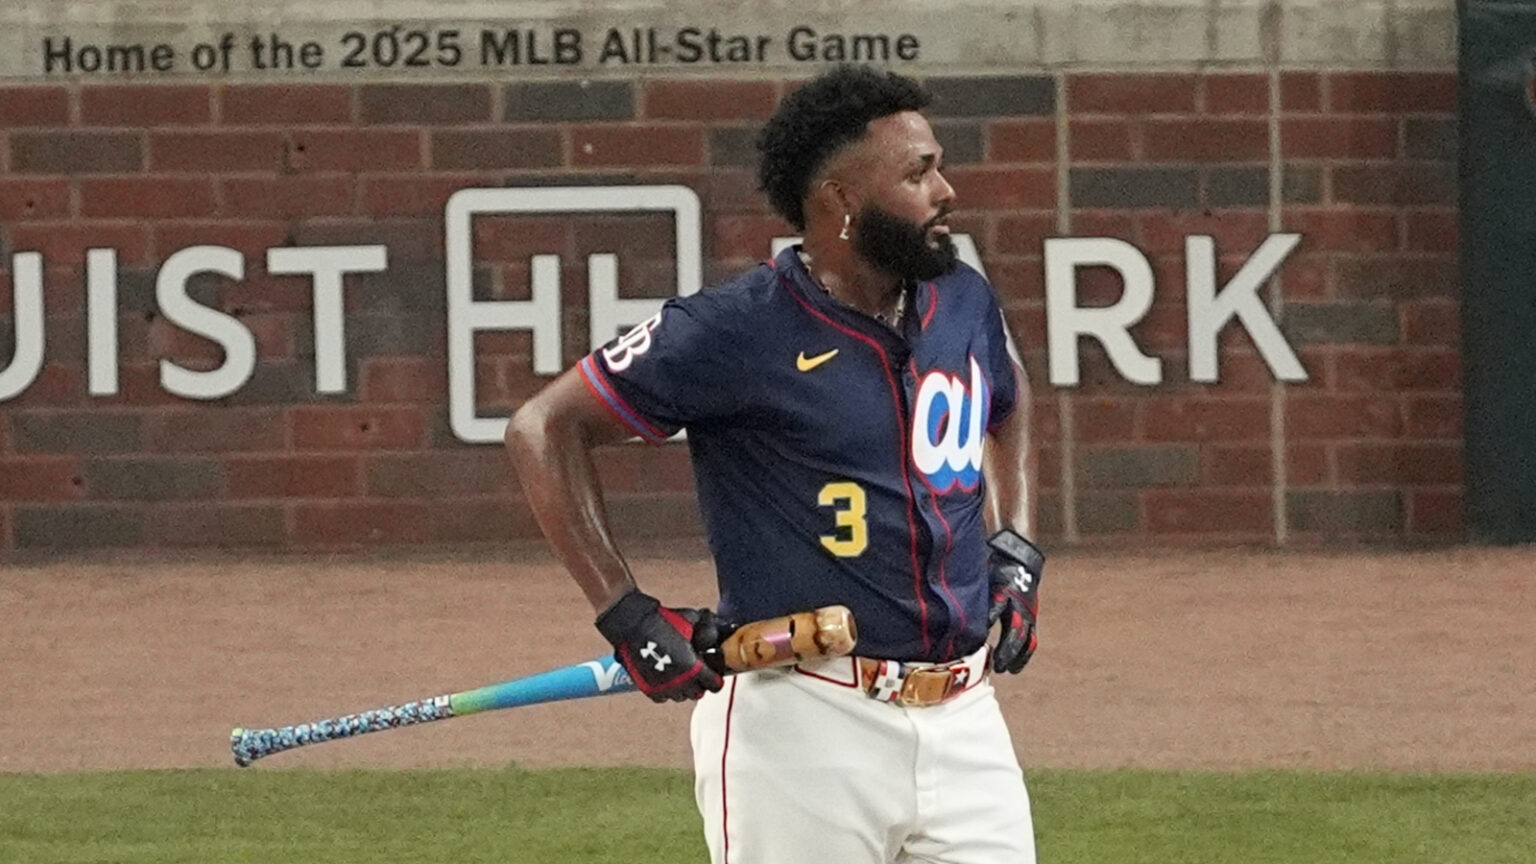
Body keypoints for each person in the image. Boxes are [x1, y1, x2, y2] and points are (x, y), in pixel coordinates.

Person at [505, 64, 1045, 864]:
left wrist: (1016, 546)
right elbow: (542, 427)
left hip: (966, 721)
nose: (947, 190)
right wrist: (629, 616)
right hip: (804, 724)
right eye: (919, 171)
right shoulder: (734, 331)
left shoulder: (961, 297)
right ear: (842, 200)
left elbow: (1008, 393)